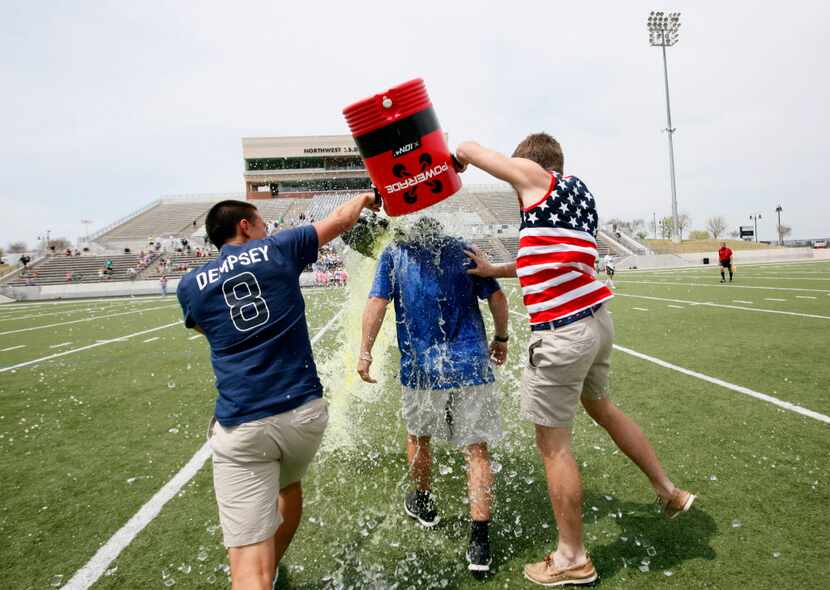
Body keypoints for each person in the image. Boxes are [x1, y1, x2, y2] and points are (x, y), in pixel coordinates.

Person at [456, 133, 695, 587]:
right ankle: (668, 490)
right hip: (597, 322)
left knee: (553, 446)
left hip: (563, 334)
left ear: (532, 165)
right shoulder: (579, 194)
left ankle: (572, 557)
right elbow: (543, 258)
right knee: (602, 408)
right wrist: (493, 271)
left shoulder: (534, 176)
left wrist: (458, 158)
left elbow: (469, 148)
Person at [177, 194, 378, 590]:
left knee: (247, 571)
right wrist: (369, 196)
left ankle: (259, 574)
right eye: (261, 222)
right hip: (304, 416)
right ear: (245, 226)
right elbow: (340, 220)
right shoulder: (277, 249)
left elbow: (207, 332)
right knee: (288, 485)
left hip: (244, 424)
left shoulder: (190, 285)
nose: (267, 228)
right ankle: (271, 567)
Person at [357, 218, 509, 575]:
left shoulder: (395, 253)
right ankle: (479, 541)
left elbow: (377, 303)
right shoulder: (463, 250)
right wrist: (501, 338)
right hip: (471, 364)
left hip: (422, 368)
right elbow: (498, 299)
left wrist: (364, 351)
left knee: (419, 438)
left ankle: (423, 502)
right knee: (477, 448)